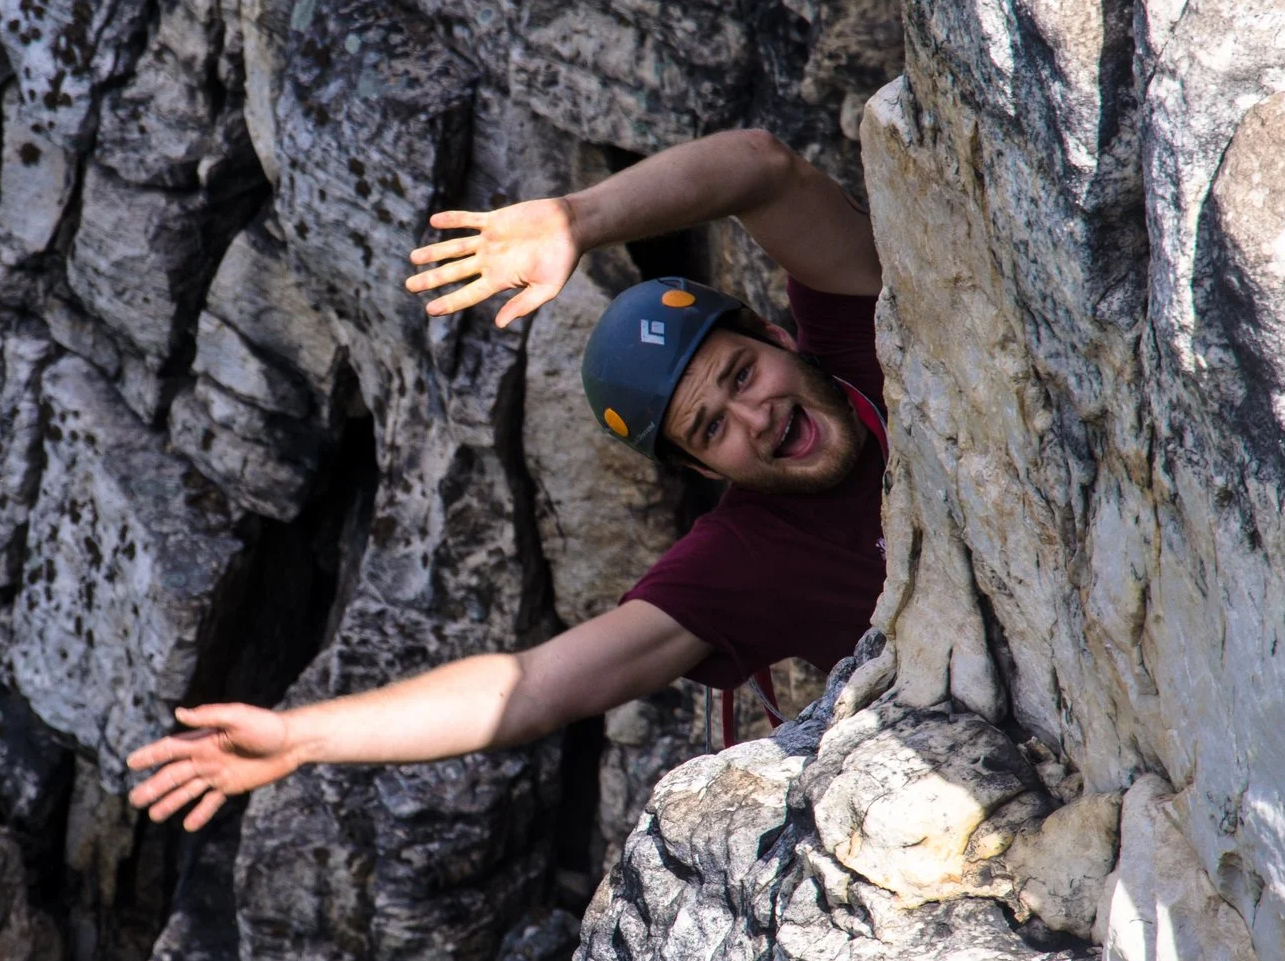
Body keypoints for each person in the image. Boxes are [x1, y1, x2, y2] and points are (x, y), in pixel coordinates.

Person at [124, 129, 888, 832]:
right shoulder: (748, 563)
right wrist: (302, 735)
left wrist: (575, 220)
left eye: (742, 373)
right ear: (698, 469)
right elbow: (528, 687)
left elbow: (762, 169)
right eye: (711, 428)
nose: (756, 417)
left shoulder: (869, 333)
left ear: (777, 336)